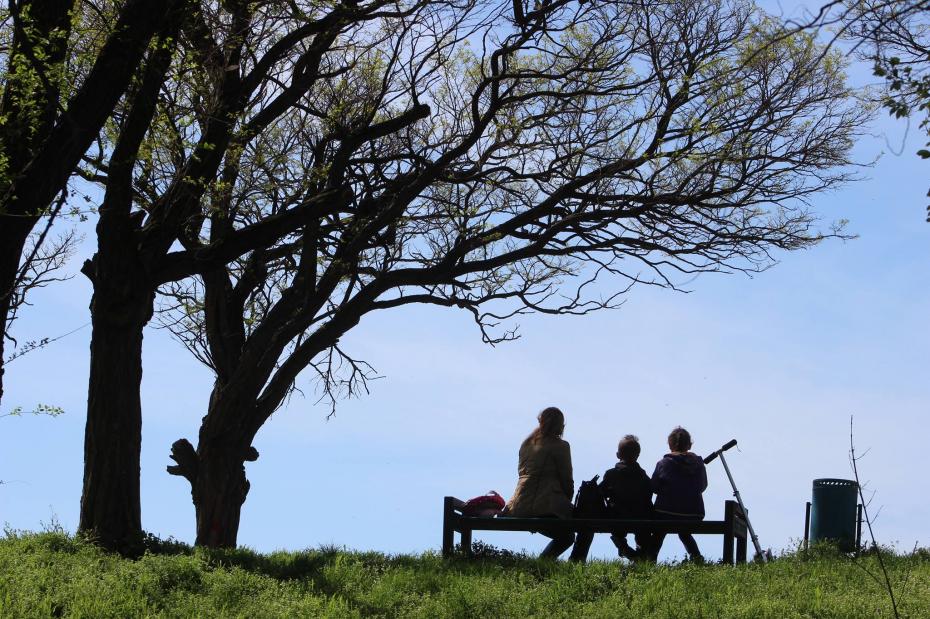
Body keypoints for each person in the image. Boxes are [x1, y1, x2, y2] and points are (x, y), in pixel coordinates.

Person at [568, 434, 655, 563]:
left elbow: (601, 493)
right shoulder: (644, 477)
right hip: (641, 516)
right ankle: (641, 557)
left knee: (616, 531)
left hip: (617, 516)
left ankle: (624, 548)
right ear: (637, 455)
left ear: (618, 454)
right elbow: (648, 495)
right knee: (642, 533)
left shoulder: (611, 474)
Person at [503, 406, 575, 559]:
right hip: (546, 507)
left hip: (520, 504)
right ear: (560, 425)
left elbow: (522, 474)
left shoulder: (526, 444)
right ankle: (543, 563)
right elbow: (566, 479)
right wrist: (567, 501)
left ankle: (542, 564)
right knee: (570, 535)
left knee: (566, 534)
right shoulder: (561, 446)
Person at [651, 426, 707, 563]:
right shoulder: (698, 464)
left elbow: (654, 487)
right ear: (689, 445)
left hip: (665, 512)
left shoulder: (663, 463)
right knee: (685, 533)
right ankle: (696, 558)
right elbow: (702, 486)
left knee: (658, 533)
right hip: (693, 513)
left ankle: (650, 559)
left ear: (670, 445)